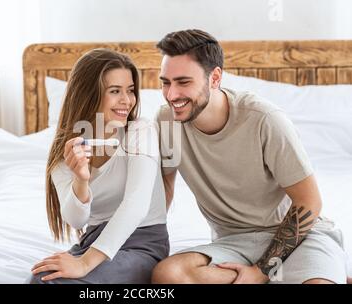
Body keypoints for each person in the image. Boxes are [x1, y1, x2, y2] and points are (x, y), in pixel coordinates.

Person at [152, 29, 348, 284]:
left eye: (183, 82)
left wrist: (260, 272)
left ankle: (310, 273)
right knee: (168, 275)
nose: (171, 95)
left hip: (298, 237)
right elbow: (165, 187)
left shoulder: (264, 119)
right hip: (234, 242)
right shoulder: (166, 121)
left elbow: (309, 202)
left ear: (215, 78)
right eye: (165, 82)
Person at [29, 48, 169, 284]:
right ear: (88, 94)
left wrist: (84, 263)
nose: (127, 100)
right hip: (93, 242)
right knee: (42, 279)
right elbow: (76, 221)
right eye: (115, 91)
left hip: (143, 244)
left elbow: (136, 205)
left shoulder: (140, 131)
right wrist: (81, 180)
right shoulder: (65, 154)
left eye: (130, 90)